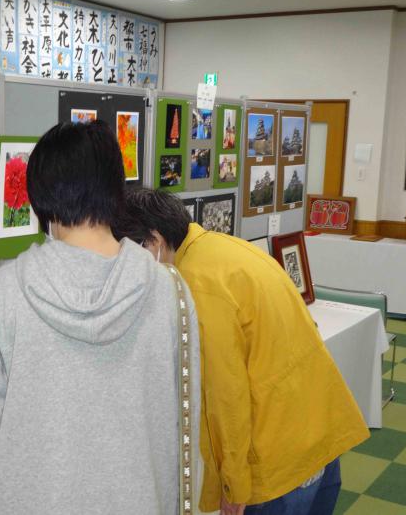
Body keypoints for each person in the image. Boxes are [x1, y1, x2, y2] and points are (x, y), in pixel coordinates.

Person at [0, 122, 200, 515]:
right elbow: (184, 433)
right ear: (115, 188)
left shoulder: (4, 294)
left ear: (40, 196)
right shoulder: (169, 291)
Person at [112, 188, 370, 515]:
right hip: (315, 433)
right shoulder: (228, 248)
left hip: (278, 458)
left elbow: (225, 396)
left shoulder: (197, 285)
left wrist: (234, 484)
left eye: (128, 254)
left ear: (154, 241)